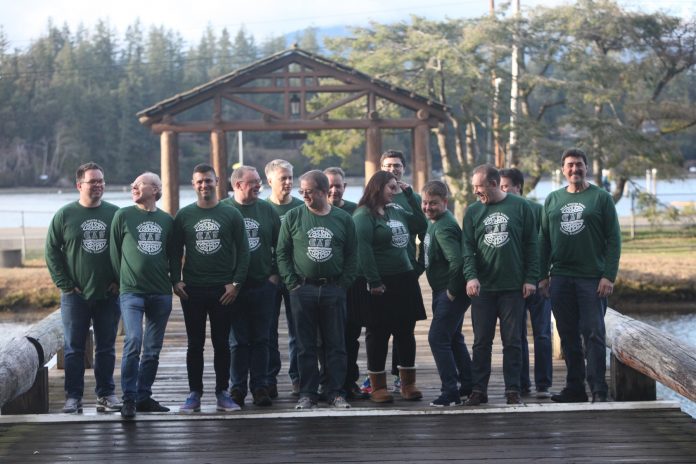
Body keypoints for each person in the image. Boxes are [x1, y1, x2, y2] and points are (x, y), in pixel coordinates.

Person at [538, 148, 621, 403]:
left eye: (579, 165)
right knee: (567, 334)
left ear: (587, 168)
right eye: (570, 165)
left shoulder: (601, 198)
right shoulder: (552, 199)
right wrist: (542, 275)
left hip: (591, 278)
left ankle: (598, 389)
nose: (575, 169)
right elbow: (543, 240)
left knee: (594, 333)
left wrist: (608, 275)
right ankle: (575, 388)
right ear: (563, 169)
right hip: (560, 277)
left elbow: (613, 240)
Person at [172, 163, 250, 413]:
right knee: (195, 344)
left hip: (223, 290)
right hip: (192, 289)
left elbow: (244, 251)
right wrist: (176, 279)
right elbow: (174, 251)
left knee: (222, 343)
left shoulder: (230, 214)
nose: (204, 185)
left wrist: (236, 283)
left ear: (217, 181)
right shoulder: (184, 215)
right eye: (199, 181)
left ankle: (222, 392)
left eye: (208, 180)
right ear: (193, 184)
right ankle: (194, 392)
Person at [276, 170, 357, 409]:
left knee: (336, 344)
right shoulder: (293, 216)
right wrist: (292, 282)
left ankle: (335, 392)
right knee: (305, 345)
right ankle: (308, 393)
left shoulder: (343, 219)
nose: (303, 196)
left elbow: (353, 254)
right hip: (303, 289)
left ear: (323, 191)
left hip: (333, 288)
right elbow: (282, 253)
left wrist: (343, 284)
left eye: (308, 192)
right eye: (301, 191)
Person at [45, 162, 122, 414]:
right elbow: (51, 251)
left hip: (108, 294)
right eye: (93, 181)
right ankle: (73, 397)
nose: (98, 185)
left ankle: (106, 394)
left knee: (106, 347)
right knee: (73, 348)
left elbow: (127, 251)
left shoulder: (115, 214)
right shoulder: (65, 215)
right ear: (79, 185)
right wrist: (65, 284)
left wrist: (119, 281)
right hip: (74, 296)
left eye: (101, 181)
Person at [462, 164, 539, 406]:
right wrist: (470, 276)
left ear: (493, 184)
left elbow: (532, 246)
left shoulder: (521, 207)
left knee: (513, 341)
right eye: (474, 187)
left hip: (513, 288)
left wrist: (530, 278)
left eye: (479, 187)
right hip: (483, 289)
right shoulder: (473, 212)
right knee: (481, 342)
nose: (476, 192)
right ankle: (478, 390)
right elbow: (467, 249)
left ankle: (513, 390)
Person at [353, 170, 428, 403]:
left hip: (404, 279)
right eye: (391, 188)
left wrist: (411, 195)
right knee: (378, 333)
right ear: (378, 188)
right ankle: (378, 386)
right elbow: (363, 251)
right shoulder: (363, 216)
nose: (395, 191)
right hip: (380, 282)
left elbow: (420, 222)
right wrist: (374, 281)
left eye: (397, 187)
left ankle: (408, 384)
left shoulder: (396, 209)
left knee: (405, 332)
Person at [110, 172, 175, 418]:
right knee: (133, 340)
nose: (133, 186)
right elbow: (114, 253)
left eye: (139, 184)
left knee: (152, 349)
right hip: (131, 293)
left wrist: (175, 281)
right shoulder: (123, 215)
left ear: (156, 189)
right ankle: (128, 398)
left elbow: (173, 255)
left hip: (160, 293)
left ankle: (143, 396)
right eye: (133, 184)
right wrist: (121, 280)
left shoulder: (167, 220)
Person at [222, 166, 280, 407]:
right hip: (233, 288)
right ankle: (237, 389)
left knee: (262, 339)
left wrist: (275, 275)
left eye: (259, 182)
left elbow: (282, 244)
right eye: (253, 182)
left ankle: (260, 387)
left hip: (262, 284)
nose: (259, 186)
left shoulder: (267, 209)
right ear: (238, 185)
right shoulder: (224, 210)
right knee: (237, 341)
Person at [500, 168, 553, 398]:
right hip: (513, 284)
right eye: (498, 187)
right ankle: (522, 382)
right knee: (517, 334)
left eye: (505, 186)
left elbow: (546, 244)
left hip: (539, 281)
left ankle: (543, 382)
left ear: (518, 187)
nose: (502, 191)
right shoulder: (500, 213)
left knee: (542, 334)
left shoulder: (537, 210)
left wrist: (544, 275)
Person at [420, 181, 472, 407]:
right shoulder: (435, 222)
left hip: (449, 293)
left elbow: (457, 261)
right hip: (442, 290)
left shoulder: (444, 227)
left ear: (445, 203)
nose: (427, 207)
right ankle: (468, 386)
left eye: (433, 203)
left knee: (437, 338)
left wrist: (451, 291)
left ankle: (449, 391)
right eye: (424, 202)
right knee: (452, 337)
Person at [322, 167, 367, 399]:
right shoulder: (314, 212)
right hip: (326, 284)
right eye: (329, 185)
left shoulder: (356, 211)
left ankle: (350, 382)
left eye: (338, 185)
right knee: (325, 338)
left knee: (351, 337)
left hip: (352, 283)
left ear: (345, 187)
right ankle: (326, 382)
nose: (333, 190)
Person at [265, 159, 304, 398]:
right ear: (270, 181)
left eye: (291, 177)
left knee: (298, 330)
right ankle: (269, 379)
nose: (289, 182)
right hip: (268, 278)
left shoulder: (301, 207)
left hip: (296, 278)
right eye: (283, 178)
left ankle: (298, 377)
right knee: (268, 331)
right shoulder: (262, 208)